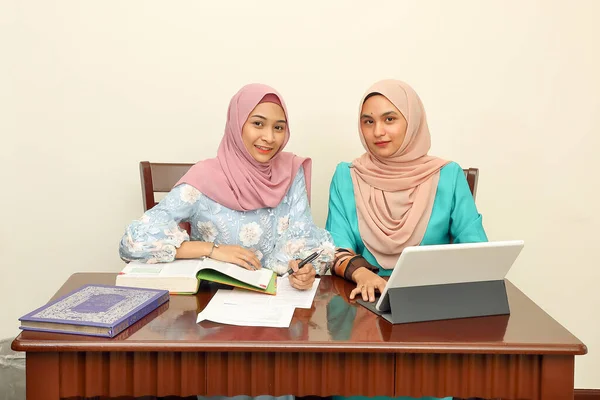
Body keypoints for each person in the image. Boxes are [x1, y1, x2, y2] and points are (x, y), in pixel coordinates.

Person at [119, 83, 334, 292]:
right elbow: (134, 241)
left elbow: (301, 237)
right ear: (236, 124)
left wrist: (301, 269)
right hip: (209, 302)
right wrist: (212, 250)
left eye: (278, 128)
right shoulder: (204, 177)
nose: (269, 137)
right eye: (258, 124)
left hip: (273, 303)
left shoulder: (290, 172)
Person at [326, 78, 488, 305]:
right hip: (363, 297)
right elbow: (334, 245)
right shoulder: (347, 175)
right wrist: (363, 274)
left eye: (389, 119)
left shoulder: (447, 175)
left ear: (412, 122)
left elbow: (476, 251)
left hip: (433, 301)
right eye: (368, 121)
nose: (378, 131)